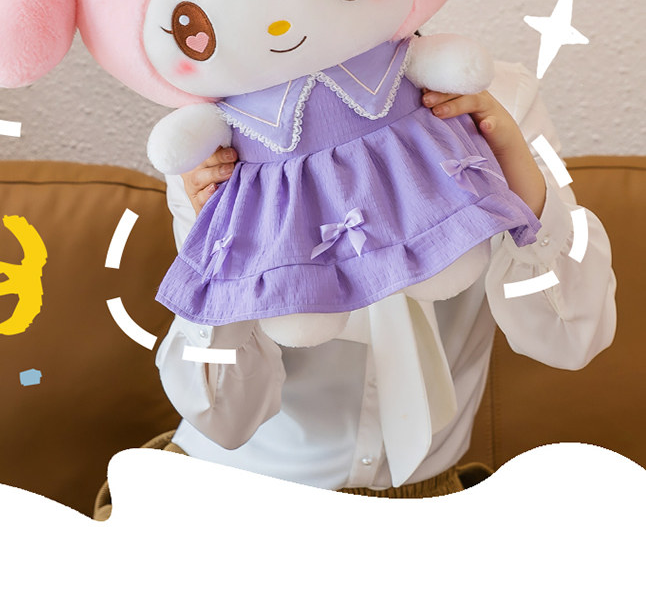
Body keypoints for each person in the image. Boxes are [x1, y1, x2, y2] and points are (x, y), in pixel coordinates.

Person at [153, 64, 616, 497]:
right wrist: (222, 259)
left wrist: (514, 171)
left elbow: (573, 338)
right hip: (234, 490)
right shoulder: (212, 137)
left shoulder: (496, 94)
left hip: (425, 498)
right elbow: (224, 419)